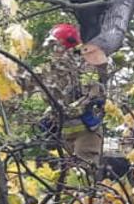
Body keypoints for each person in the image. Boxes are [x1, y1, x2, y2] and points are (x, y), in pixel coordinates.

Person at [37, 23, 106, 165]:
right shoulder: (54, 71)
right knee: (59, 176)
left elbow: (91, 96)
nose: (52, 51)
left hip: (87, 132)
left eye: (54, 46)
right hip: (64, 134)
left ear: (66, 46)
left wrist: (63, 110)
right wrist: (49, 115)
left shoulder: (86, 65)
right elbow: (53, 98)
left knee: (82, 176)